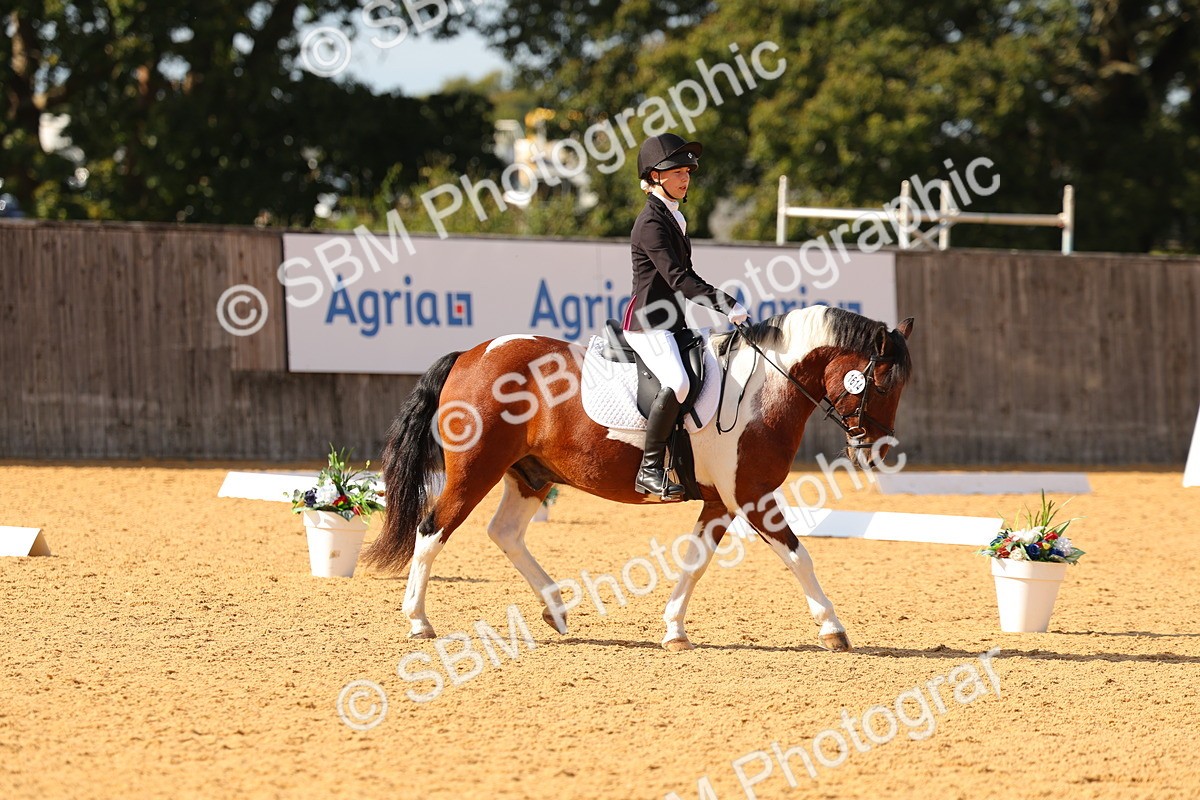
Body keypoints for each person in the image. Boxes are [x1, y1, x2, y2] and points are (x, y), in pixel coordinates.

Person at [623, 133, 749, 498]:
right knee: (677, 383)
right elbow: (678, 279)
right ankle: (649, 469)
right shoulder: (651, 222)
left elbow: (687, 274)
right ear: (654, 177)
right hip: (648, 324)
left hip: (673, 322)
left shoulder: (674, 217)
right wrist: (727, 304)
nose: (685, 178)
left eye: (687, 172)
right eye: (676, 172)